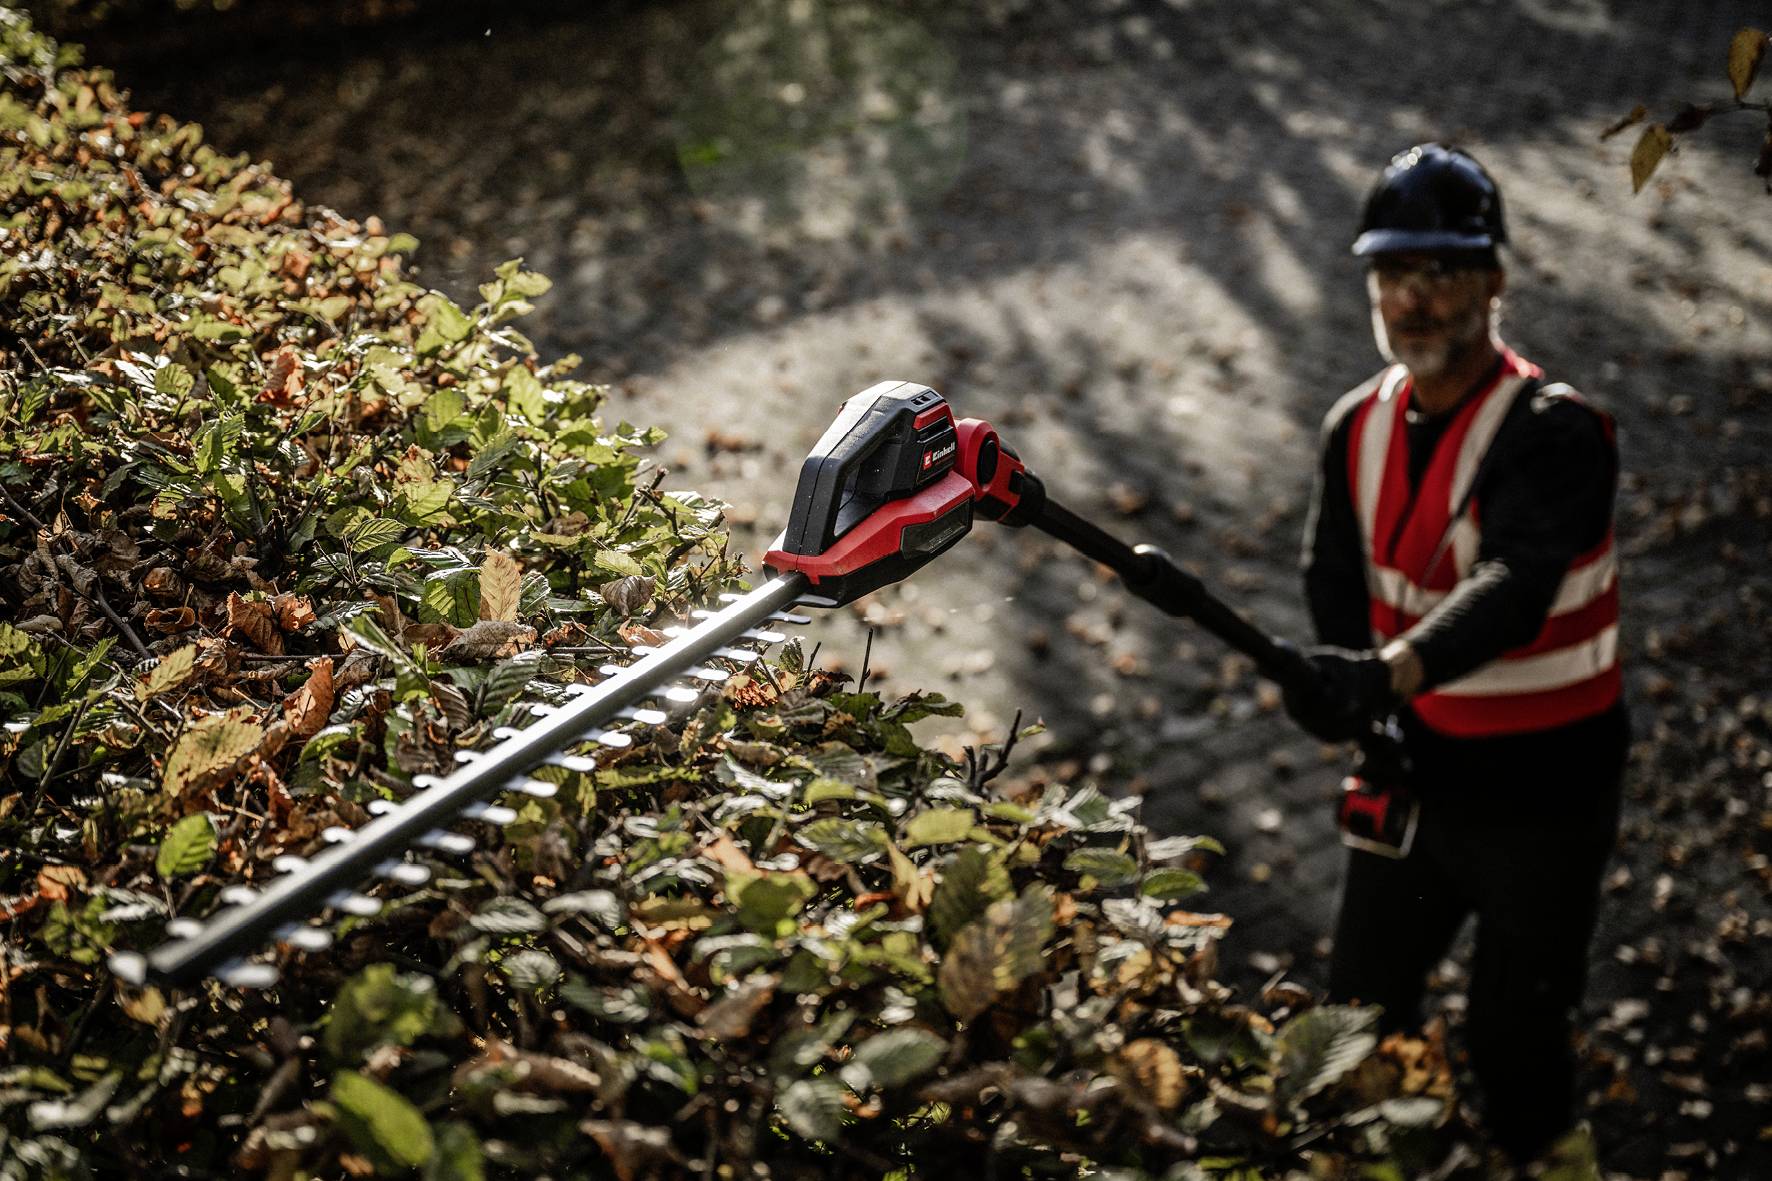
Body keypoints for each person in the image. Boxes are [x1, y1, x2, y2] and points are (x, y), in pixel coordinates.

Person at [1284, 143, 1627, 1171]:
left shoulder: (1556, 435)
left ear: (1494, 281)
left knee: (1514, 1042)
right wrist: (1335, 687)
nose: (1412, 299)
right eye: (1392, 275)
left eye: (1440, 273)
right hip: (1413, 776)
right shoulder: (1354, 425)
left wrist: (1386, 671)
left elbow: (1513, 590)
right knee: (1354, 1018)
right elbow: (1330, 580)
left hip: (1545, 794)